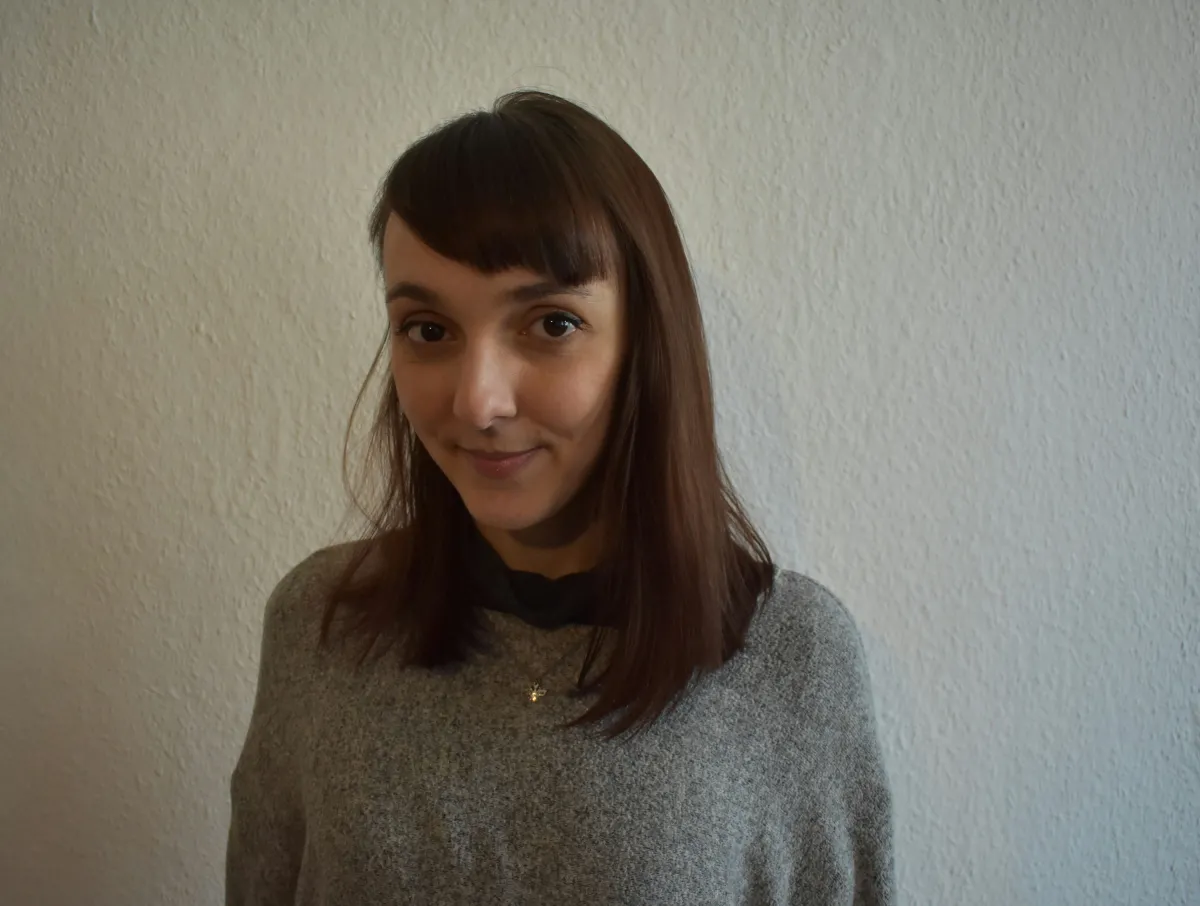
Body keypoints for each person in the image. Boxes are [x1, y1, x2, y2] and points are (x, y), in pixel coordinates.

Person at [225, 89, 896, 905]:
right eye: (428, 330)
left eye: (550, 324)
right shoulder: (320, 625)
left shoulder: (794, 660)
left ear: (646, 342)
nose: (478, 402)